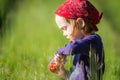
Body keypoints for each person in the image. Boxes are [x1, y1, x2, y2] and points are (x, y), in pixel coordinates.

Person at [48, 0, 105, 80]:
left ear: (80, 23)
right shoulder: (81, 45)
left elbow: (72, 47)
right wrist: (62, 72)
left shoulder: (93, 41)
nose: (64, 34)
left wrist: (60, 53)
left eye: (65, 28)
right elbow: (76, 77)